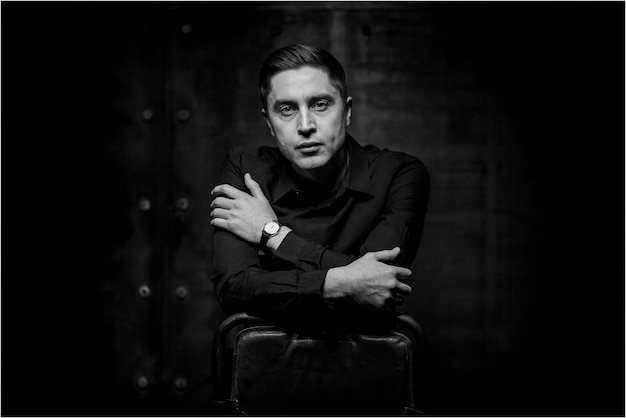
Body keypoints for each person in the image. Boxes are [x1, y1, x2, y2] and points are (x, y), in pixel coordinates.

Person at [210, 44, 430, 327]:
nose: (305, 125)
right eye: (287, 109)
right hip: (260, 363)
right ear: (268, 122)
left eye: (320, 104)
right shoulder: (246, 173)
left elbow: (381, 285)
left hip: (368, 364)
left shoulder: (400, 175)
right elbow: (235, 290)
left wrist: (274, 235)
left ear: (347, 112)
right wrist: (340, 283)